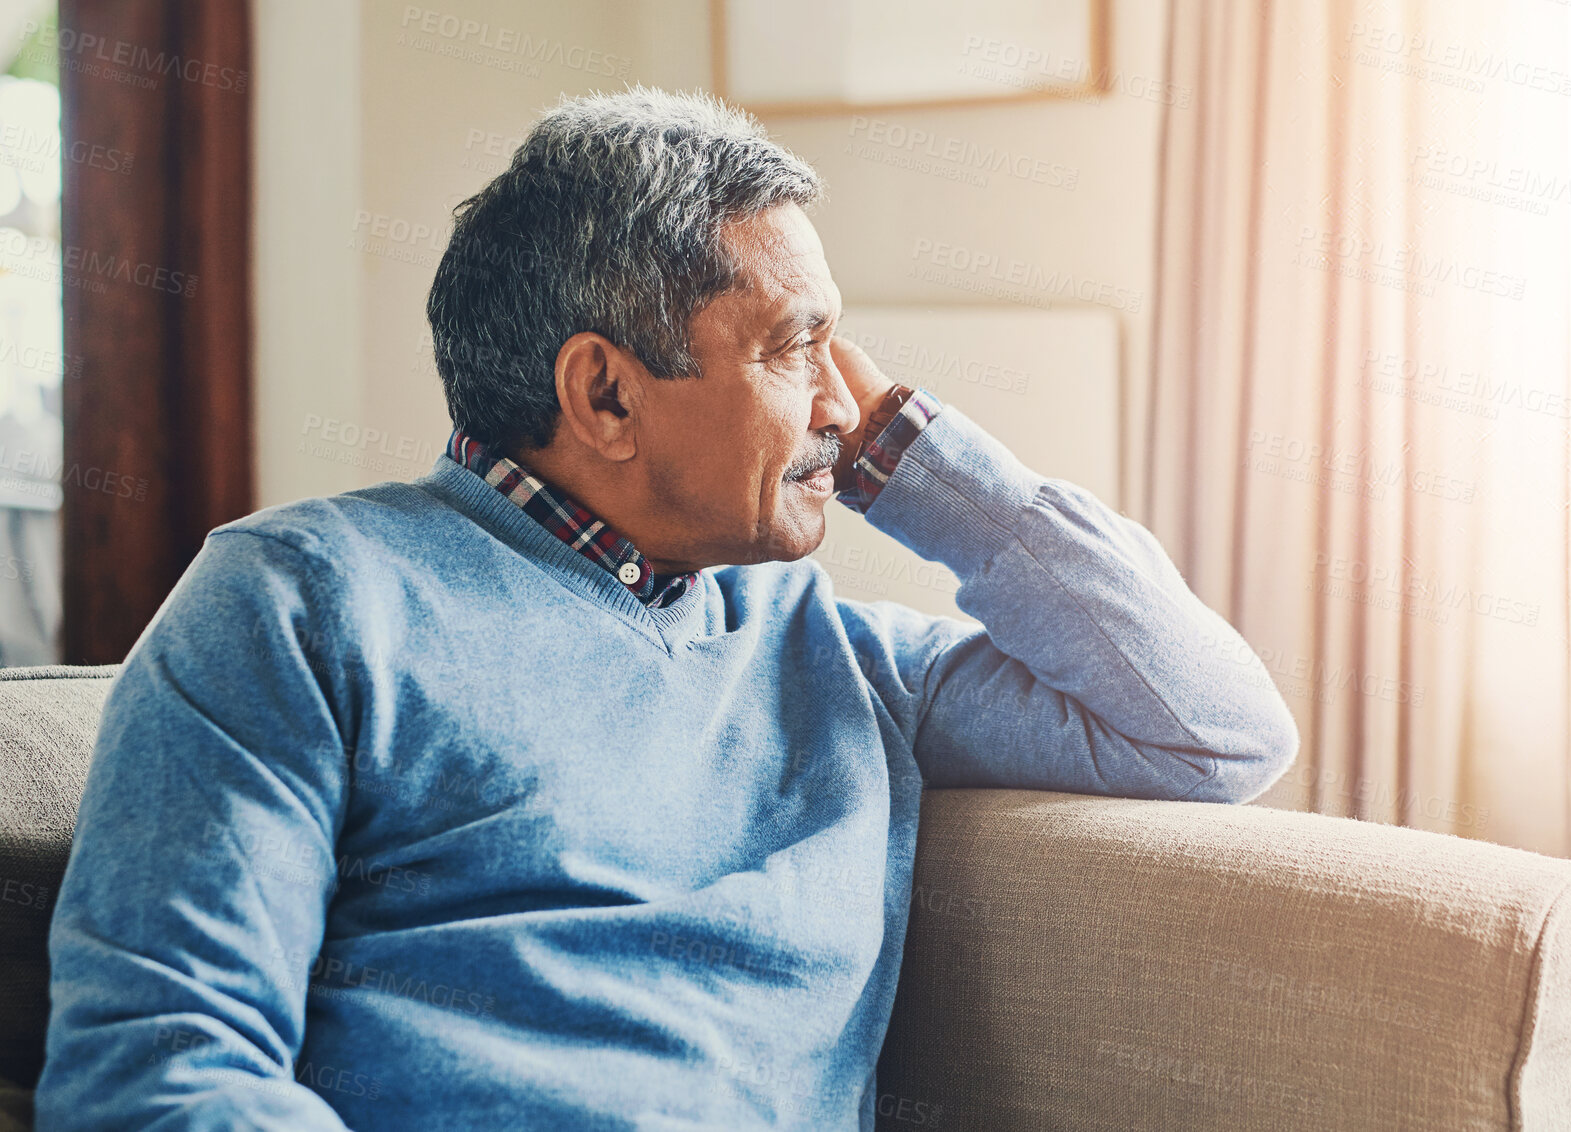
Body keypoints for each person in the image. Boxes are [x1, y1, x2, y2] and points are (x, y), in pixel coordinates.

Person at [36, 87, 1298, 1131]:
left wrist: (918, 462)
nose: (839, 405)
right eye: (795, 347)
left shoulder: (837, 657)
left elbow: (1212, 730)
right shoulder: (299, 602)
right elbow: (161, 1073)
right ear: (606, 396)